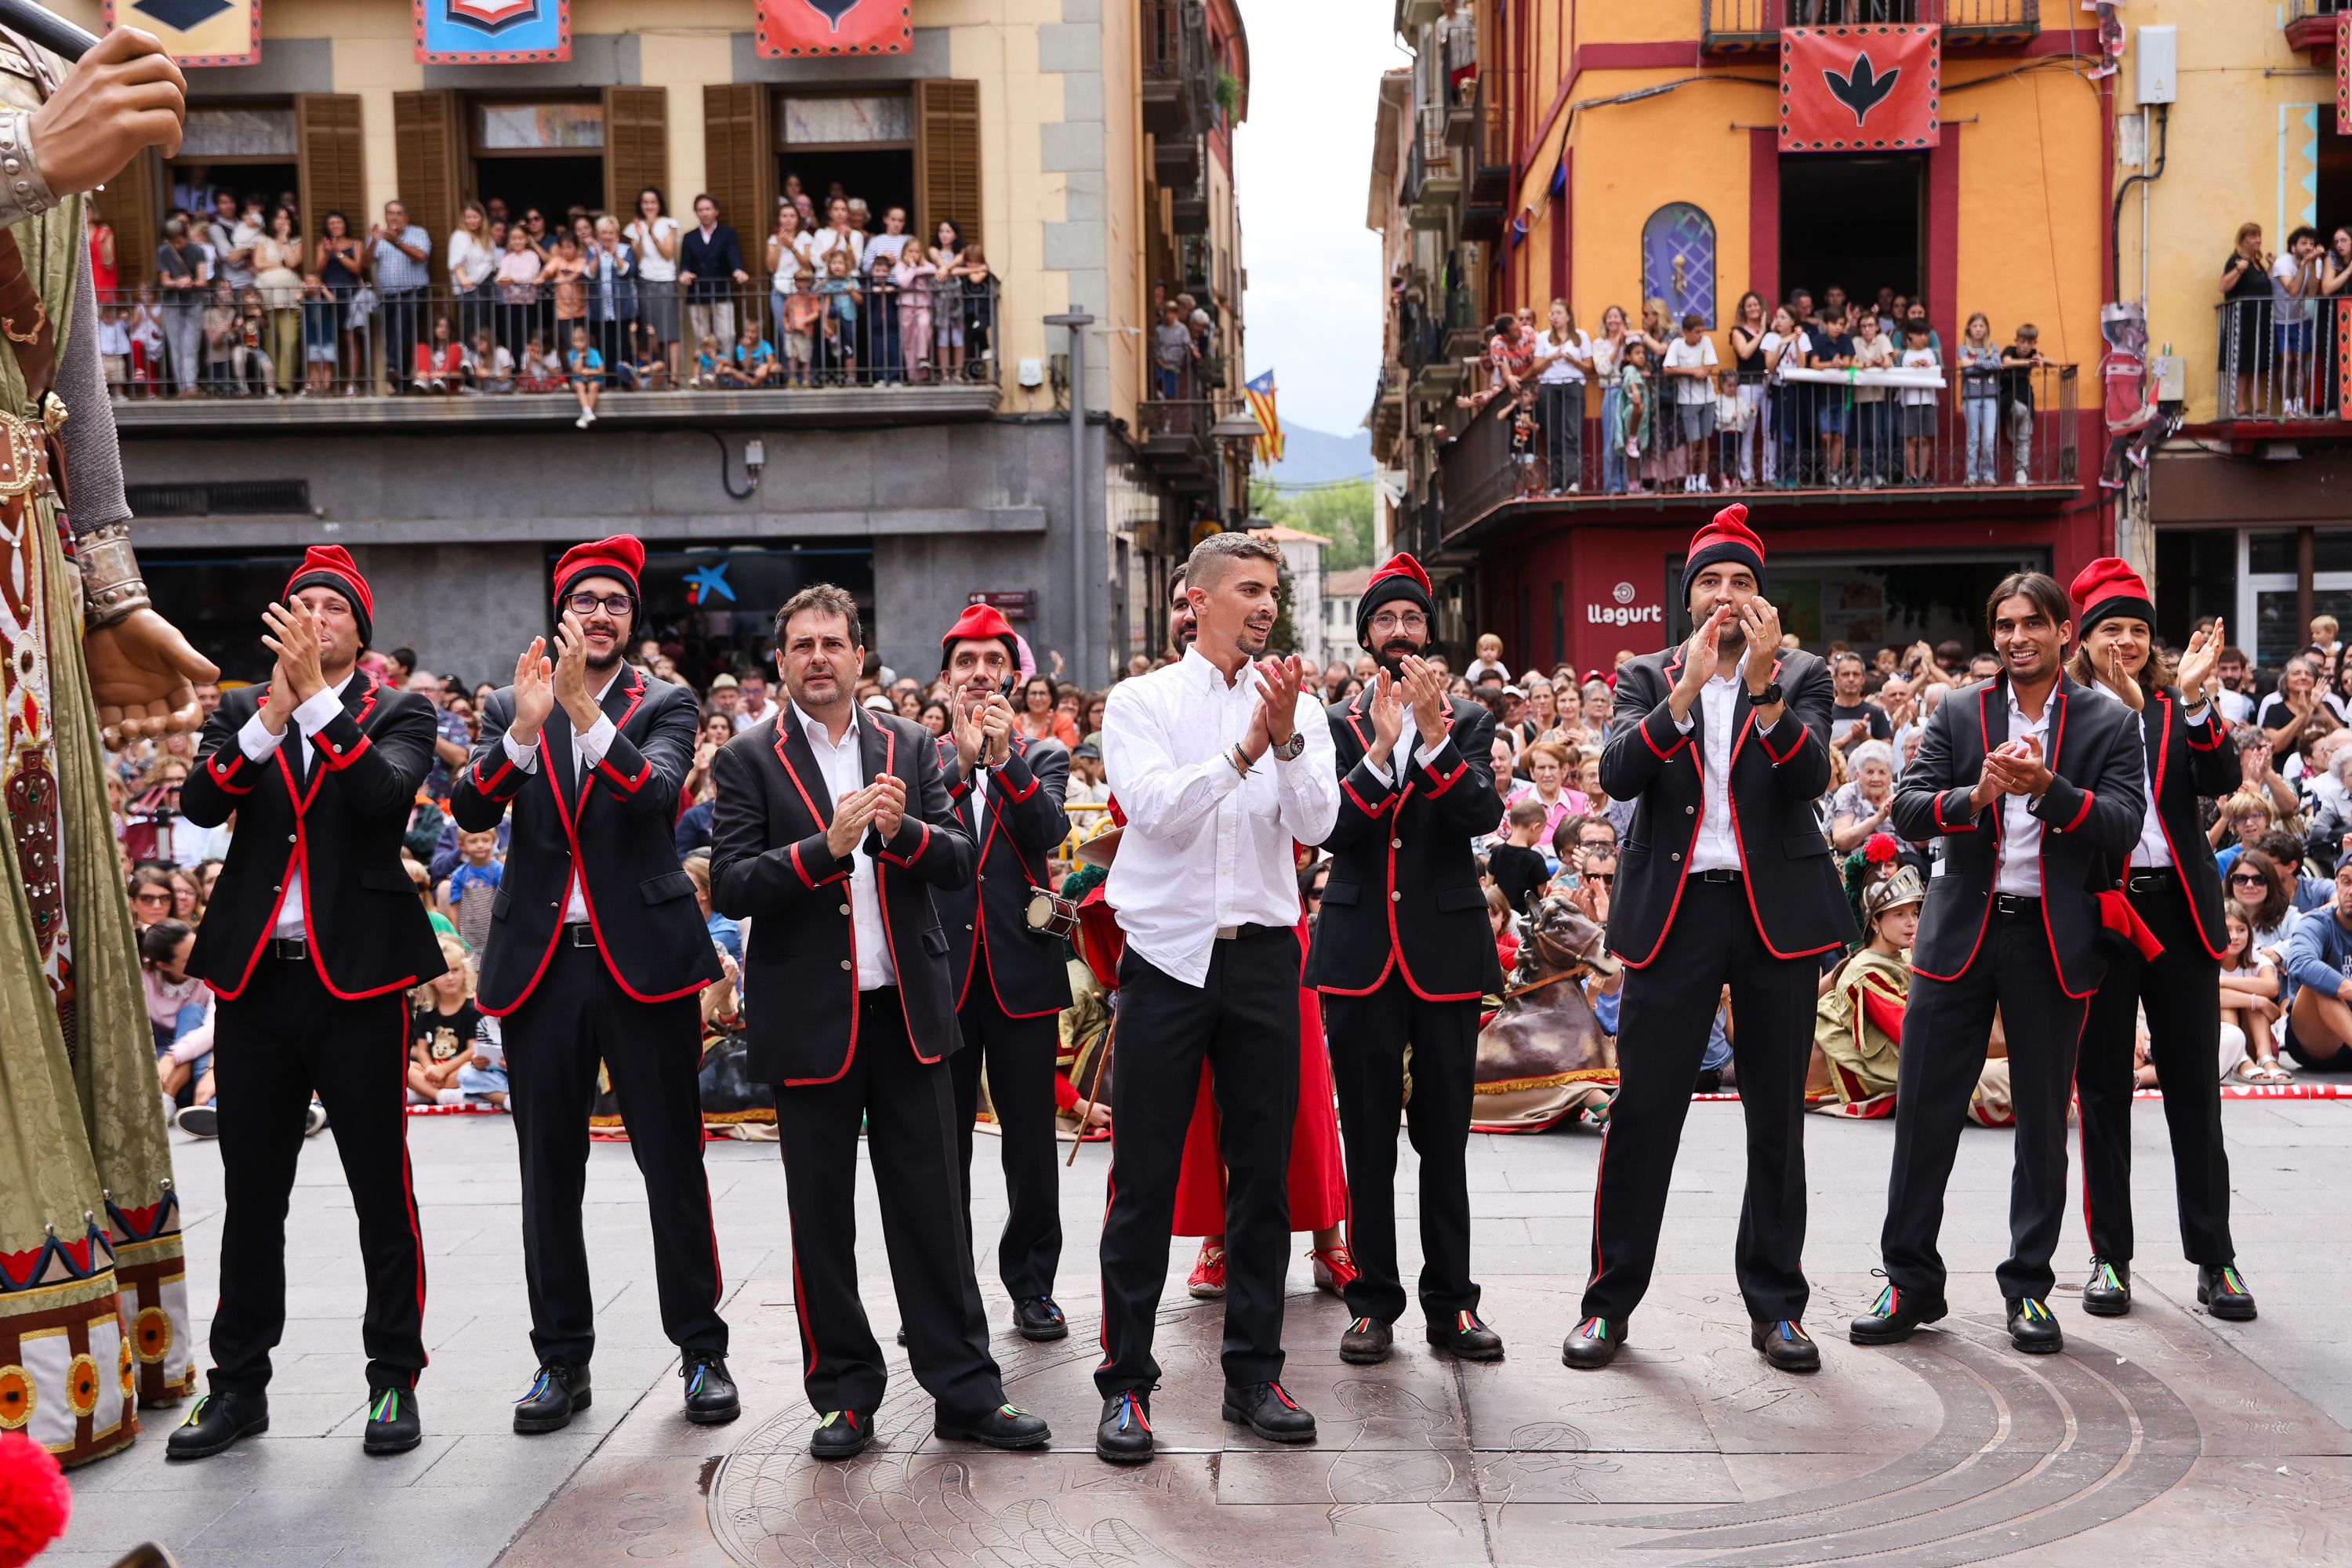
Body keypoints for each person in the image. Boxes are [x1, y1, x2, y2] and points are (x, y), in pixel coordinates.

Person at [708, 583, 1049, 1460]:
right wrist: (821, 850)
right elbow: (736, 880)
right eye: (802, 644)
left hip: (910, 1008)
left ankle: (966, 1388)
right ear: (780, 661)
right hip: (809, 1013)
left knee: (933, 1210)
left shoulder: (907, 742)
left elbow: (959, 857)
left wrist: (901, 834)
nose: (818, 656)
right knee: (821, 1218)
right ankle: (846, 1394)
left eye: (833, 641)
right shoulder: (749, 757)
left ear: (861, 656)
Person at [453, 535, 735, 1435]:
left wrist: (586, 714)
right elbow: (469, 808)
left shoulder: (668, 700)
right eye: (586, 600)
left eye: (616, 601)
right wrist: (528, 729)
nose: (602, 614)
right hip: (542, 964)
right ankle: (559, 1361)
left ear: (632, 616)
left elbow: (655, 797)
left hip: (642, 961)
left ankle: (701, 1351)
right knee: (548, 1173)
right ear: (562, 612)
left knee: (671, 1163)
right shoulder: (511, 699)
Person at [170, 549, 444, 1459]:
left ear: (358, 632)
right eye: (303, 603)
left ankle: (393, 1377)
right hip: (255, 978)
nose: (316, 616)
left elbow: (384, 795)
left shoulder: (398, 709)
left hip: (358, 978)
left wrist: (317, 706)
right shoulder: (247, 706)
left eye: (333, 606)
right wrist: (271, 715)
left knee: (379, 1185)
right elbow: (203, 803)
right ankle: (238, 1385)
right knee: (253, 1192)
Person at [1565, 506, 1850, 1374]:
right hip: (1674, 911)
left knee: (1777, 1119)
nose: (1726, 596)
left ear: (1761, 596)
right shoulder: (1647, 675)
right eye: (1710, 582)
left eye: (1741, 581)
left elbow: (1806, 777)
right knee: (1645, 1112)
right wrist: (1689, 689)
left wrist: (1762, 690)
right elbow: (1618, 773)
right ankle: (1608, 1304)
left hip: (1775, 915)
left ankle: (1778, 1309)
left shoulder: (1801, 672)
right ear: (1688, 598)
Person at [1853, 572, 2143, 1358]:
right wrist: (1973, 795)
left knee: (2044, 1122)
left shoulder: (2109, 722)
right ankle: (1910, 1280)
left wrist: (2049, 788)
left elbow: (2120, 827)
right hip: (1958, 934)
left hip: (2052, 938)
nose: (2018, 637)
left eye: (2033, 624)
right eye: (2005, 624)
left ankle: (2029, 1287)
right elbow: (1910, 809)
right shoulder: (1959, 710)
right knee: (1922, 1115)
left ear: (2063, 632)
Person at [1094, 532, 1338, 1463]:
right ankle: (1125, 1385)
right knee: (1144, 1180)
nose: (1267, 604)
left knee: (1262, 1179)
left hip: (1268, 957)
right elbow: (1153, 809)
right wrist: (1243, 749)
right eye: (1248, 588)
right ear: (1194, 601)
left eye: (1272, 589)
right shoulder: (1141, 701)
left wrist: (1281, 742)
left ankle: (1254, 1375)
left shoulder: (1297, 704)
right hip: (1165, 958)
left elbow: (1318, 822)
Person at [1308, 553, 1505, 1366]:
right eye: (1384, 621)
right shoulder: (1332, 722)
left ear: (1432, 634)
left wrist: (1429, 737)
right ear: (1365, 638)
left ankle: (1452, 1302)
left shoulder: (1469, 717)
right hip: (1358, 950)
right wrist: (1383, 751)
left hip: (1447, 948)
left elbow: (1480, 812)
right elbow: (1332, 829)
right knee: (1370, 1140)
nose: (1398, 633)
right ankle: (1372, 1301)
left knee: (1446, 1135)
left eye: (1411, 621)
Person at [2064, 563, 2256, 1324]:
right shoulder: (2069, 713)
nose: (2128, 641)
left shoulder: (2179, 708)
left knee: (2194, 1093)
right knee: (2105, 1089)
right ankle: (2110, 1255)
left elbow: (2217, 773)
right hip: (2102, 917)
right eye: (2113, 628)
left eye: (2140, 630)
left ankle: (2216, 1258)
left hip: (2178, 916)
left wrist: (2202, 696)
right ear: (2085, 639)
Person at [931, 604, 1075, 1341]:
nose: (980, 675)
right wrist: (959, 765)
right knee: (940, 1146)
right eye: (967, 664)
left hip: (1022, 973)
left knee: (1029, 1143)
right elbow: (920, 845)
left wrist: (1001, 758)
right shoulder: (920, 757)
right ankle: (949, 1294)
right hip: (942, 981)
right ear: (946, 676)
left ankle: (1033, 1285)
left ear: (1014, 678)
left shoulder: (1043, 755)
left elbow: (1047, 829)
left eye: (993, 663)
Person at [1812, 862, 1924, 1114]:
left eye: (1915, 913)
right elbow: (1913, 1033)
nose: (1912, 923)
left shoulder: (1905, 956)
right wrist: (1922, 975)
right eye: (1899, 914)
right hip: (1877, 1065)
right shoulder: (1866, 972)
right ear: (1875, 922)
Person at [368, 199, 429, 392]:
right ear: (386, 216)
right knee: (392, 334)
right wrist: (374, 241)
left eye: (399, 213)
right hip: (387, 295)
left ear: (406, 216)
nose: (395, 217)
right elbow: (365, 262)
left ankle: (393, 367)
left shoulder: (418, 233)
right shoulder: (379, 236)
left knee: (402, 329)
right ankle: (399, 380)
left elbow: (421, 255)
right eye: (391, 213)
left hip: (412, 292)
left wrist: (396, 242)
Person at [678, 193, 747, 350]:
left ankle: (726, 371)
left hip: (722, 290)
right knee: (702, 337)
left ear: (716, 211)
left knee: (727, 335)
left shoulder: (727, 233)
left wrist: (738, 270)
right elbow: (685, 263)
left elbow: (733, 254)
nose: (704, 213)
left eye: (708, 209)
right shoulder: (689, 237)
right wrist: (684, 273)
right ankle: (706, 373)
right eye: (700, 210)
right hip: (697, 292)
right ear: (696, 213)